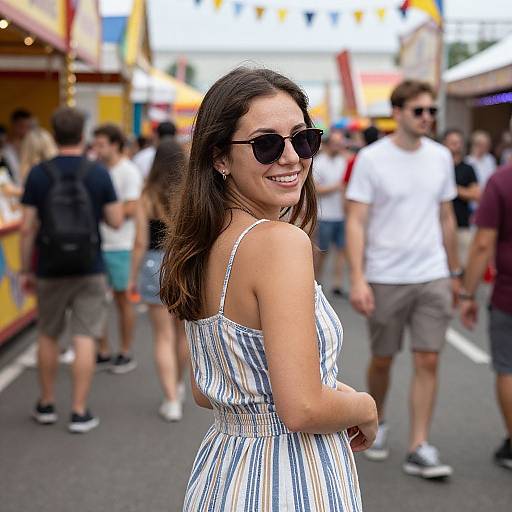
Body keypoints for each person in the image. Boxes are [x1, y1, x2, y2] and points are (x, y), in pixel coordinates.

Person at [160, 67, 377, 511]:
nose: (292, 157)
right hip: (290, 478)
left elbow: (208, 389)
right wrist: (365, 407)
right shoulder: (279, 242)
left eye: (303, 139)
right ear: (219, 157)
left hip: (223, 471)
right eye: (266, 144)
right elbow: (302, 409)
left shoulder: (200, 243)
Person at [346, 79, 460, 479]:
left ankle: (419, 445)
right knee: (383, 358)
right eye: (419, 110)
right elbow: (356, 220)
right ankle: (374, 422)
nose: (427, 117)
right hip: (385, 275)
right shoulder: (372, 160)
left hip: (431, 273)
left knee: (428, 358)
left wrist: (454, 271)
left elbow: (446, 216)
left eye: (432, 111)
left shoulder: (441, 157)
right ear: (397, 113)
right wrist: (358, 278)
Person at [19, 107, 123, 433]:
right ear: (83, 135)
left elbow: (25, 228)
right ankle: (79, 411)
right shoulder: (97, 173)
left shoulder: (38, 173)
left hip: (50, 266)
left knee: (48, 334)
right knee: (85, 336)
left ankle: (47, 403)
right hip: (89, 265)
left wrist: (26, 270)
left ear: (54, 134)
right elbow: (116, 220)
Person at [129, 138, 189, 421]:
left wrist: (132, 277)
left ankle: (171, 398)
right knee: (184, 333)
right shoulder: (190, 193)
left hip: (154, 264)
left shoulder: (147, 194)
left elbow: (140, 242)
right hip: (184, 263)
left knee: (162, 336)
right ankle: (178, 383)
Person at [460, 161, 512, 470]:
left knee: (508, 367)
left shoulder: (502, 180)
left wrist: (468, 294)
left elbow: (482, 244)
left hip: (509, 295)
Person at [93, 124, 143, 373]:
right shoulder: (96, 170)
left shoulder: (129, 171)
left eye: (101, 144)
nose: (97, 149)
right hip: (98, 244)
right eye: (95, 144)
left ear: (115, 144)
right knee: (96, 300)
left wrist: (100, 213)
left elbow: (132, 207)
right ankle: (102, 350)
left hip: (121, 245)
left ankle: (125, 350)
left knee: (122, 300)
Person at [313, 131, 348, 296]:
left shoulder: (343, 162)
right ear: (327, 144)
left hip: (341, 215)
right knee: (323, 252)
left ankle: (337, 284)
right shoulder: (319, 163)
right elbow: (316, 189)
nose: (339, 146)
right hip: (324, 216)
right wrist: (337, 187)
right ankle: (316, 280)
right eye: (335, 143)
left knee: (341, 251)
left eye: (340, 143)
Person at [442, 129, 480, 265]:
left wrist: (452, 189)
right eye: (452, 142)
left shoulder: (468, 168)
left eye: (458, 142)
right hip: (438, 227)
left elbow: (475, 194)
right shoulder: (438, 166)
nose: (455, 145)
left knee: (463, 264)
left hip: (462, 225)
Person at [3, 109, 34, 185]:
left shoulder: (33, 148)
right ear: (13, 125)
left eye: (28, 127)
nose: (25, 130)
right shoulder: (4, 149)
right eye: (21, 126)